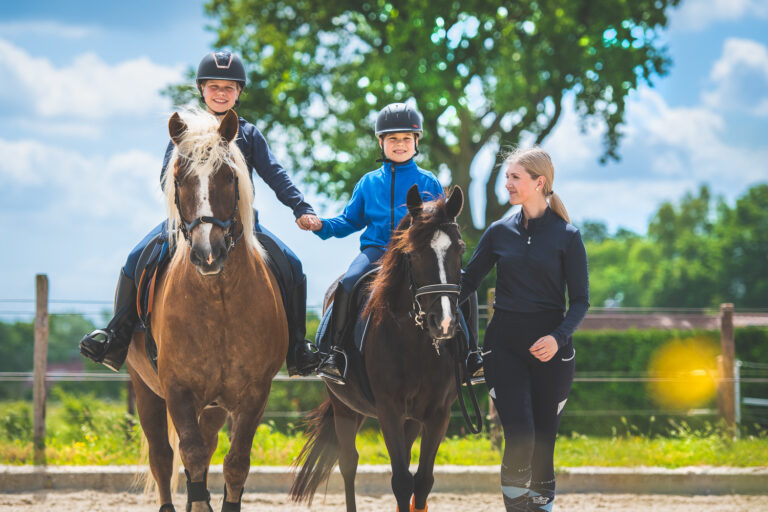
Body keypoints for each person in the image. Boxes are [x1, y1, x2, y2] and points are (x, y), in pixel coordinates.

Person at [79, 50, 323, 376]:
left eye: (229, 88)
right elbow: (166, 177)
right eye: (214, 87)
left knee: (292, 263)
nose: (221, 93)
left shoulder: (248, 134)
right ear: (202, 90)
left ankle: (297, 348)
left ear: (238, 92)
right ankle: (116, 335)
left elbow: (275, 174)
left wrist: (300, 207)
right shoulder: (185, 132)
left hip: (238, 224)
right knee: (137, 257)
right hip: (189, 222)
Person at [309, 102, 484, 385]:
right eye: (392, 139)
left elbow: (441, 224)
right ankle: (335, 354)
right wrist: (322, 226)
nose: (400, 144)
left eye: (406, 138)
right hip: (376, 251)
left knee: (464, 284)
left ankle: (472, 355)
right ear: (381, 142)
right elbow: (350, 220)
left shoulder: (428, 181)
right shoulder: (368, 183)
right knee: (348, 282)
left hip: (420, 255)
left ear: (416, 142)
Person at [459, 147, 589, 511]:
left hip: (553, 351)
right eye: (507, 177)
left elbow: (581, 301)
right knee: (520, 438)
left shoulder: (568, 236)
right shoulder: (498, 232)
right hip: (504, 348)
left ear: (539, 182)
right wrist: (429, 298)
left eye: (515, 177)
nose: (508, 184)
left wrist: (557, 338)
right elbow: (467, 283)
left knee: (543, 442)